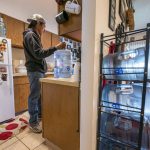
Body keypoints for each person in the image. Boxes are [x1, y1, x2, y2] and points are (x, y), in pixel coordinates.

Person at [23, 14, 66, 133]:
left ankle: (39, 116)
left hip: (38, 71)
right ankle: (33, 122)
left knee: (38, 95)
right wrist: (56, 47)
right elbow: (39, 54)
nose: (44, 29)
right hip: (35, 71)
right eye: (44, 26)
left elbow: (38, 54)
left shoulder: (33, 35)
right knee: (34, 96)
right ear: (38, 24)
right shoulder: (31, 35)